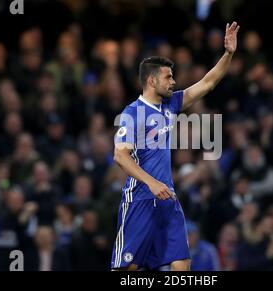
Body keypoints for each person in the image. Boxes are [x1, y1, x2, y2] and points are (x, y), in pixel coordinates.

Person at [111, 21, 240, 271]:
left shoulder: (170, 105)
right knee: (128, 270)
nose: (173, 81)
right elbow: (120, 156)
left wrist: (228, 54)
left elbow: (207, 83)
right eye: (168, 76)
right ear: (151, 81)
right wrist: (151, 182)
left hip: (167, 197)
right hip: (140, 198)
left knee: (182, 265)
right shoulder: (132, 113)